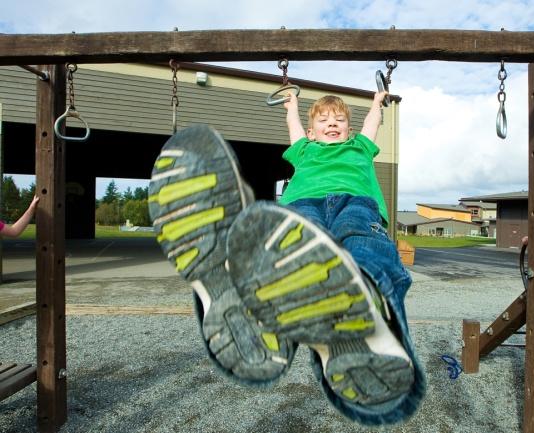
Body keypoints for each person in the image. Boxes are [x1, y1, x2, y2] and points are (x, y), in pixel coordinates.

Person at [148, 90, 424, 426]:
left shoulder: (360, 147)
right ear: (311, 133)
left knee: (362, 240)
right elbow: (294, 127)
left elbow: (372, 123)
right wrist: (292, 106)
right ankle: (266, 296)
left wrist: (378, 104)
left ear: (350, 130)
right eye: (324, 121)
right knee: (293, 242)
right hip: (305, 202)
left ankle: (364, 294)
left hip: (356, 201)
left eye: (339, 121)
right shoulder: (304, 150)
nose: (332, 124)